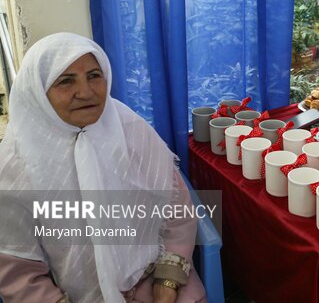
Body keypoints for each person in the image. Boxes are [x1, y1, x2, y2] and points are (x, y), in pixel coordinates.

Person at [0, 33, 207, 302]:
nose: (86, 92)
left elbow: (178, 214)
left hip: (157, 278)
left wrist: (168, 280)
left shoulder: (129, 129)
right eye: (65, 81)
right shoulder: (14, 167)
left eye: (94, 75)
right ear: (38, 91)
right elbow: (19, 272)